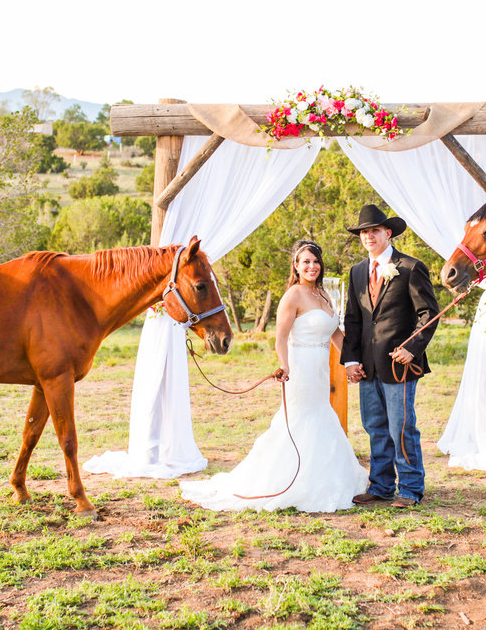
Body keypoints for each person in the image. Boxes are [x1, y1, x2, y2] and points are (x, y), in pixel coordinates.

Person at [179, 240, 367, 511]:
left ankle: (325, 478)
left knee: (322, 416)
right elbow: (280, 337)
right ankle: (288, 481)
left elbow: (336, 334)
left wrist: (351, 362)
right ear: (296, 266)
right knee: (300, 421)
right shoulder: (293, 295)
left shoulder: (324, 295)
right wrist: (285, 365)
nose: (311, 266)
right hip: (299, 369)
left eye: (315, 261)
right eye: (305, 262)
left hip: (320, 370)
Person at [342, 204, 440, 509]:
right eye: (364, 232)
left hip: (400, 365)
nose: (368, 236)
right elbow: (354, 319)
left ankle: (410, 488)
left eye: (374, 231)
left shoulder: (411, 267)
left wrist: (413, 348)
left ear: (388, 233)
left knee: (401, 426)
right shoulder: (357, 271)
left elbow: (430, 313)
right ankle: (381, 486)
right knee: (375, 427)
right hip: (367, 368)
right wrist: (351, 360)